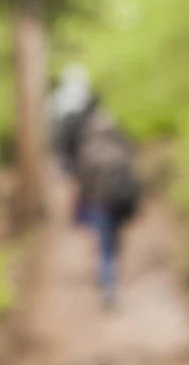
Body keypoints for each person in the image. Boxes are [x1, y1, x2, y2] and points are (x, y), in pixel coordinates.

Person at [48, 65, 140, 307]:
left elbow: (78, 173)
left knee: (104, 239)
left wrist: (81, 197)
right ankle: (110, 278)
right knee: (111, 239)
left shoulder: (83, 140)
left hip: (98, 197)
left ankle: (108, 280)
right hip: (119, 196)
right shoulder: (115, 133)